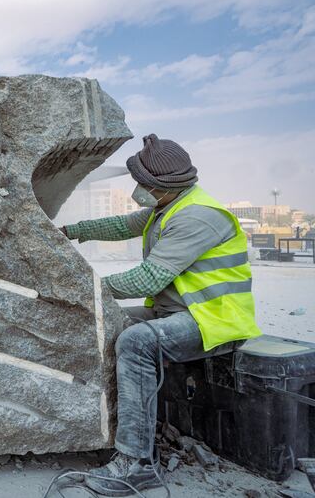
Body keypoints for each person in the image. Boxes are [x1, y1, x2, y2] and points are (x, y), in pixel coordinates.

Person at [61, 134, 262, 496]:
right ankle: (123, 429)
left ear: (164, 186)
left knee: (136, 342)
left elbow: (148, 277)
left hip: (214, 321)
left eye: (144, 185)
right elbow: (122, 225)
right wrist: (71, 232)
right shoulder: (167, 206)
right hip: (178, 313)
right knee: (113, 322)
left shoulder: (197, 217)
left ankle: (137, 464)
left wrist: (82, 288)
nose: (138, 189)